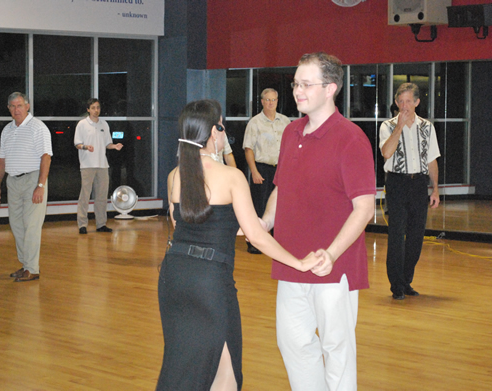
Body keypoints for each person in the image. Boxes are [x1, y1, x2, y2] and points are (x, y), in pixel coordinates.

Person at [156, 99, 323, 391]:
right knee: (226, 370)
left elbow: (181, 222)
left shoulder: (174, 175)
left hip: (173, 276)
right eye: (222, 128)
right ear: (212, 132)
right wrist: (299, 263)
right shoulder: (231, 177)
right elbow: (255, 236)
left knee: (184, 363)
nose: (224, 135)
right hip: (210, 281)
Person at [261, 52, 376, 391]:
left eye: (306, 84)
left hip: (333, 268)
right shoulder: (290, 132)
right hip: (291, 262)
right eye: (296, 83)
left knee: (336, 349)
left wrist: (332, 253)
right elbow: (282, 188)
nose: (298, 90)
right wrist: (265, 221)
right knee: (293, 344)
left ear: (331, 89)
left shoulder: (351, 138)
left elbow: (364, 208)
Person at [379, 82, 440, 300]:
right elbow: (386, 153)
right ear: (396, 103)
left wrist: (435, 189)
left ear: (417, 102)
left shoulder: (427, 127)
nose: (404, 106)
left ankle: (406, 281)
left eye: (408, 101)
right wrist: (398, 128)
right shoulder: (387, 125)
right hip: (396, 183)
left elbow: (431, 159)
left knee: (416, 236)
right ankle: (396, 285)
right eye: (400, 101)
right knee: (396, 235)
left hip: (418, 184)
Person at [0, 92, 52, 282]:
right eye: (12, 106)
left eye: (19, 106)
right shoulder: (7, 130)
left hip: (33, 180)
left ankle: (32, 269)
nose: (16, 110)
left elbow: (46, 157)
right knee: (17, 226)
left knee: (32, 226)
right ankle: (26, 264)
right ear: (8, 109)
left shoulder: (38, 128)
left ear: (27, 106)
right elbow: (1, 159)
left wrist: (40, 185)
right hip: (13, 181)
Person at [242, 88, 290, 254]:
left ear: (277, 101)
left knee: (282, 206)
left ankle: (280, 242)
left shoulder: (285, 122)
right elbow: (248, 149)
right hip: (262, 168)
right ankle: (255, 242)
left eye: (274, 100)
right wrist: (254, 172)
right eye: (267, 100)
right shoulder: (255, 122)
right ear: (262, 101)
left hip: (282, 170)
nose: (271, 103)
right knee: (260, 206)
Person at [74, 98, 123, 234]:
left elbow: (107, 143)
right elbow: (77, 144)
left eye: (98, 107)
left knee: (101, 197)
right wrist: (85, 147)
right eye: (93, 108)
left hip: (102, 165)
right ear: (88, 109)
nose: (96, 110)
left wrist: (115, 146)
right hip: (87, 165)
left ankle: (101, 224)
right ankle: (82, 224)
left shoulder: (104, 124)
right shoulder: (82, 124)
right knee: (85, 196)